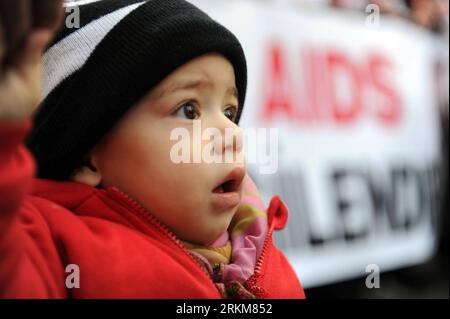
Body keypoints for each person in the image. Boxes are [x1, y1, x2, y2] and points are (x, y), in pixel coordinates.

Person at [0, 0, 305, 298]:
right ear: (86, 158)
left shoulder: (262, 252)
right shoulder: (54, 249)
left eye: (229, 112)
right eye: (189, 110)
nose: (232, 133)